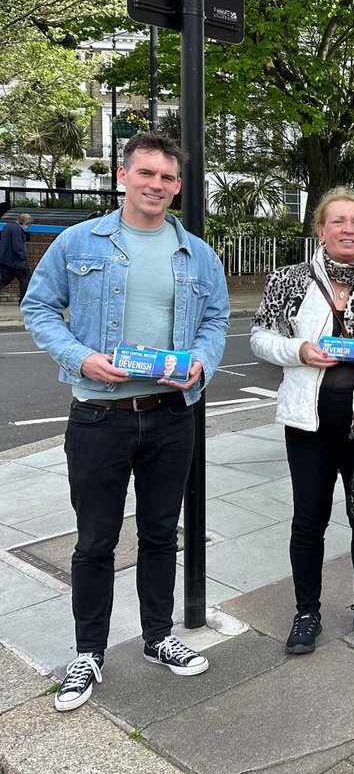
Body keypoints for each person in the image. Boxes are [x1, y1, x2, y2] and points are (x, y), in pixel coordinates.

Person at [22, 132, 229, 712]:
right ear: (123, 175)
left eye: (166, 178)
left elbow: (215, 320)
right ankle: (88, 653)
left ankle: (158, 637)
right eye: (146, 174)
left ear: (179, 186)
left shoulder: (198, 254)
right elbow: (38, 308)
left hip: (170, 417)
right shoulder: (77, 241)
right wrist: (81, 357)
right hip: (99, 416)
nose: (156, 185)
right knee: (95, 541)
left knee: (162, 534)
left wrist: (201, 362)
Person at [250, 188, 354, 655]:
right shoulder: (291, 279)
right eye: (339, 222)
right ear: (321, 230)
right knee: (310, 520)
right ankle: (307, 612)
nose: (349, 230)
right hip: (309, 422)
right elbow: (261, 337)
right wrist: (299, 350)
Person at [0, 212, 32, 300]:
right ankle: (23, 300)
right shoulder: (18, 230)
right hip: (17, 261)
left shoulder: (7, 226)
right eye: (28, 224)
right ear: (25, 222)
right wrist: (24, 258)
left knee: (5, 279)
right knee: (25, 280)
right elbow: (17, 246)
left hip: (4, 259)